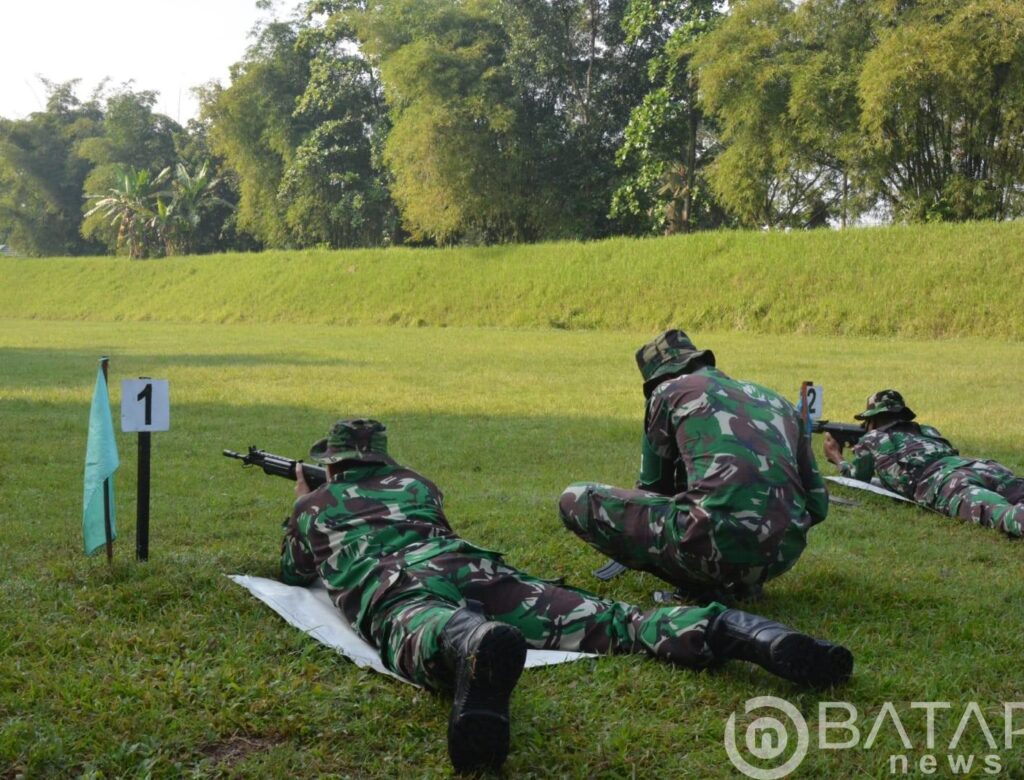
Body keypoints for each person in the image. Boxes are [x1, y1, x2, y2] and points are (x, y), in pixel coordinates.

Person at [281, 418, 853, 774]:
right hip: (472, 567)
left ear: (332, 462)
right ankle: (742, 631)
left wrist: (304, 501)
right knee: (611, 620)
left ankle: (471, 643)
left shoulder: (314, 506)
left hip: (394, 581)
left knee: (419, 625)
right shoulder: (417, 484)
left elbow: (295, 569)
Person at [559, 329, 829, 602]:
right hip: (782, 555)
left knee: (574, 498)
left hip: (707, 549)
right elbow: (818, 505)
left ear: (659, 379)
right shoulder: (780, 403)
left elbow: (653, 490)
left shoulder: (667, 392)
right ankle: (742, 582)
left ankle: (699, 587)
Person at [822, 389, 1024, 538]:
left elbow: (858, 478)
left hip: (946, 481)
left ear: (872, 421)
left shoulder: (873, 438)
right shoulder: (927, 430)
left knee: (1004, 516)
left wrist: (837, 458)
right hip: (982, 467)